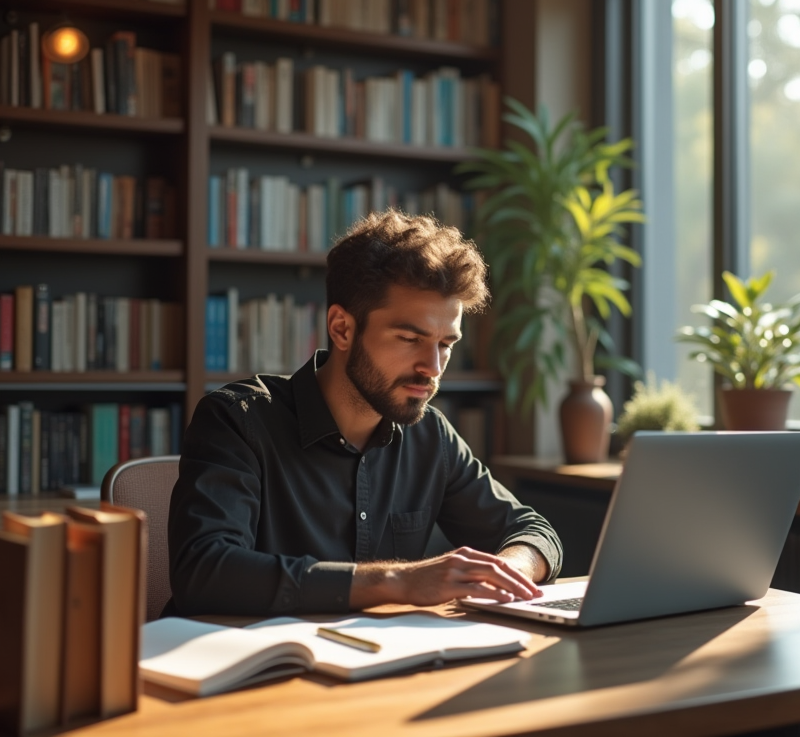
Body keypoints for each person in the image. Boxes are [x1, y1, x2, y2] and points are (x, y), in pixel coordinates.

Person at [167, 212, 562, 616]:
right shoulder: (238, 420)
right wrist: (398, 580)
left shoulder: (430, 437)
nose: (433, 366)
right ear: (341, 328)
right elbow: (204, 570)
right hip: (243, 665)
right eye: (410, 339)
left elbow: (534, 533)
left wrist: (508, 570)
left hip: (366, 665)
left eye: (446, 343)